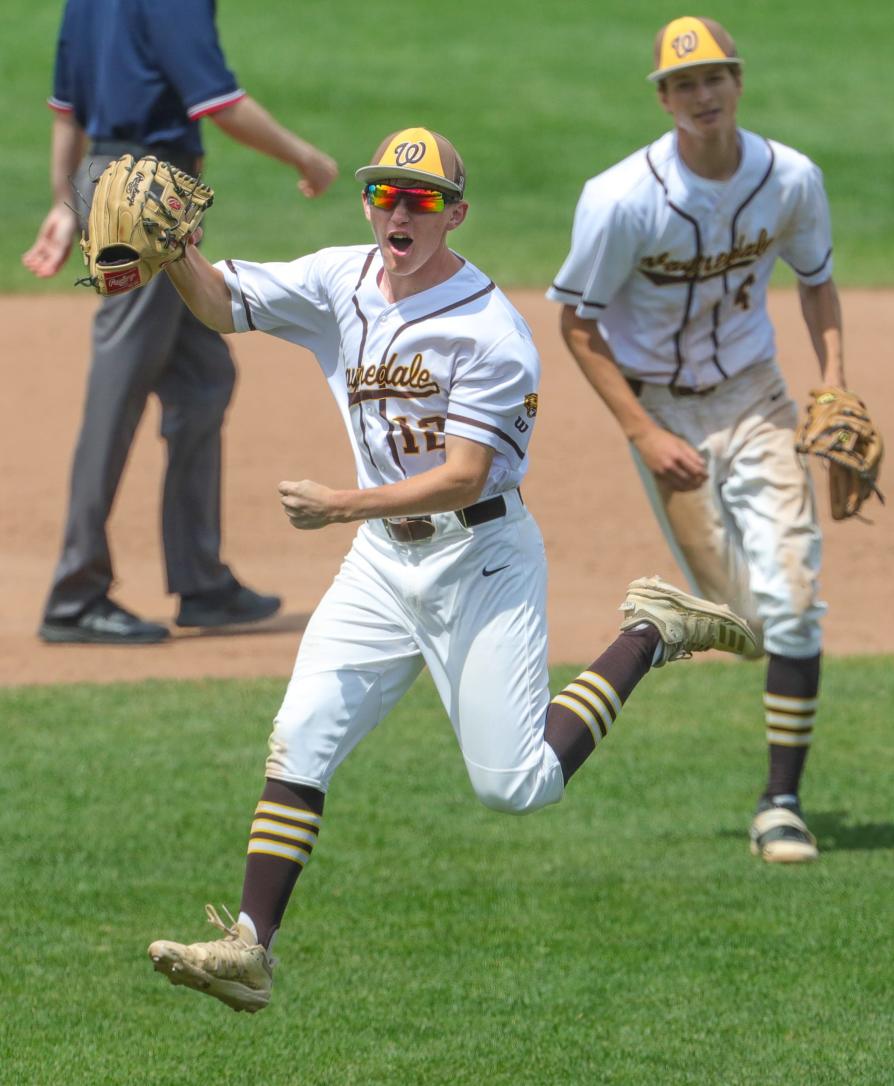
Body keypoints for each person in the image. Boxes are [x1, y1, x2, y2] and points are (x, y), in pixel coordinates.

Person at [145, 126, 757, 1012]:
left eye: (422, 198)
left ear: (455, 214)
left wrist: (340, 504)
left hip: (480, 559)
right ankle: (249, 947)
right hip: (379, 567)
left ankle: (650, 632)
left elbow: (466, 474)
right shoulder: (337, 280)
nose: (399, 209)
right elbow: (218, 302)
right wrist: (176, 254)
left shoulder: (491, 332)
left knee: (515, 785)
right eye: (385, 193)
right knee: (302, 734)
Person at [548, 16, 845, 863]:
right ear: (664, 97)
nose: (701, 95)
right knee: (744, 620)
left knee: (794, 599)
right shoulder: (621, 200)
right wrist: (641, 433)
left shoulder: (790, 179)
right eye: (683, 84)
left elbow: (818, 284)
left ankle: (781, 802)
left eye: (714, 77)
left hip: (756, 397)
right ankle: (666, 623)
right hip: (663, 411)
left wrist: (836, 385)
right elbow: (575, 323)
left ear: (738, 80)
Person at [24, 0, 339, 644]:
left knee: (202, 379)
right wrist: (307, 158)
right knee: (119, 391)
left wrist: (70, 201)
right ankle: (74, 593)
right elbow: (219, 104)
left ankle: (202, 582)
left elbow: (68, 110)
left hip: (113, 181)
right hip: (149, 194)